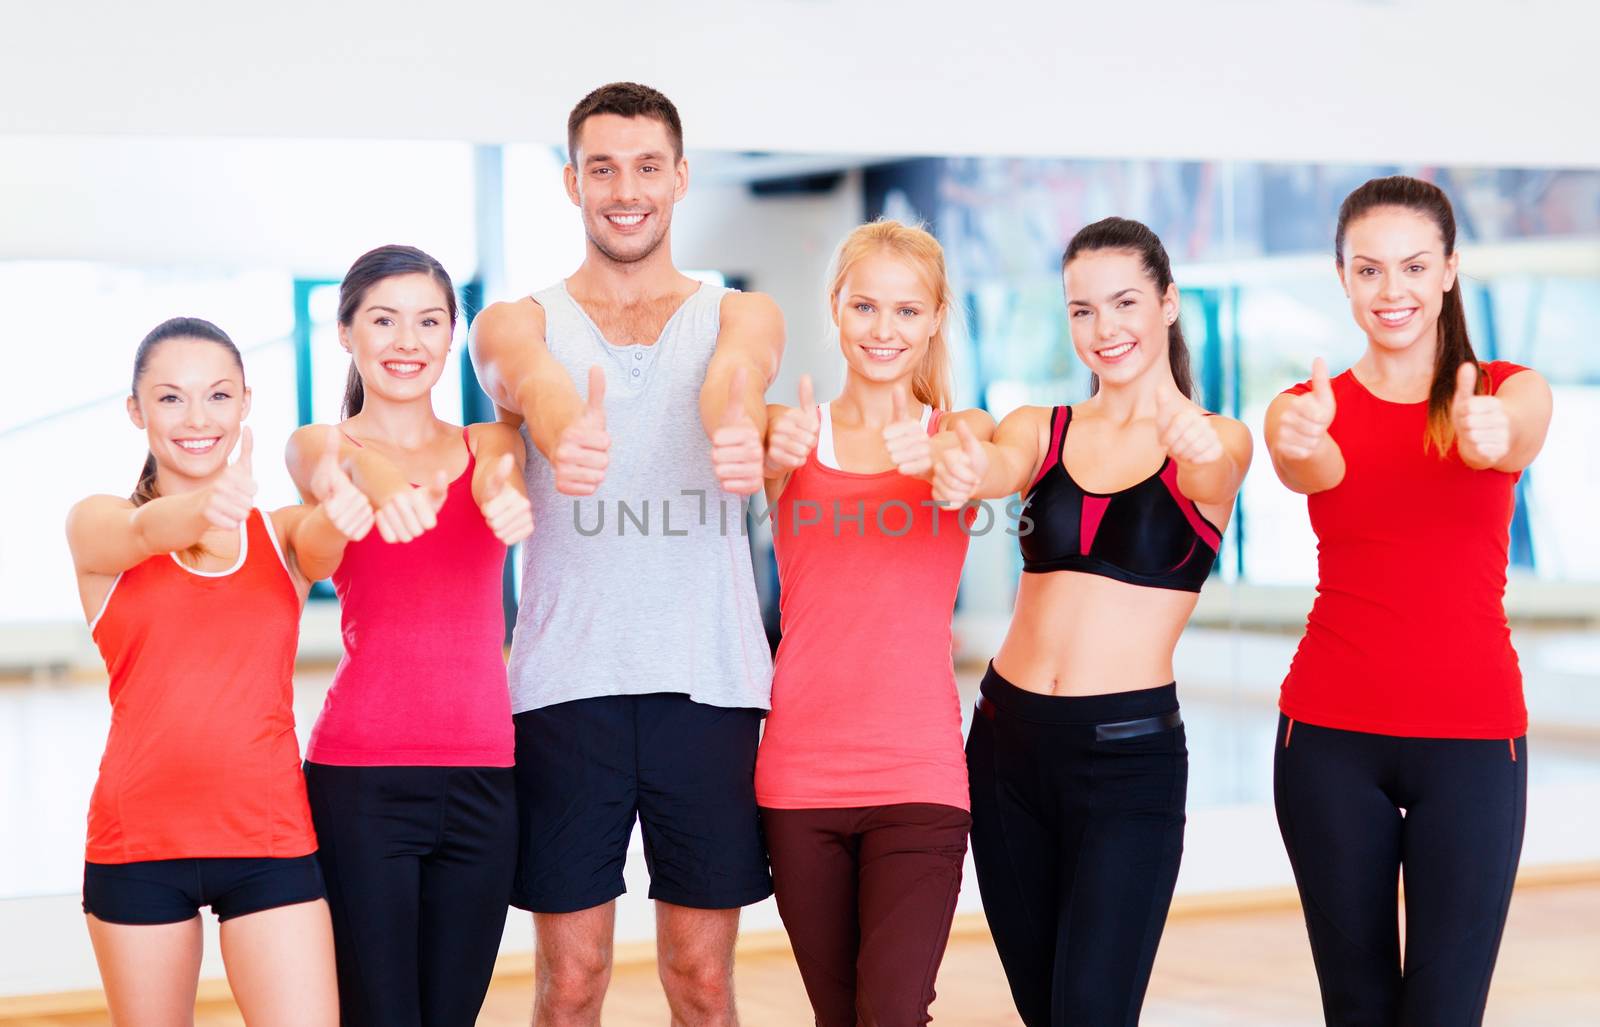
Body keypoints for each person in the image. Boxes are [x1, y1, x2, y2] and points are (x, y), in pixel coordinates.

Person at [469, 82, 782, 1026]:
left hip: (711, 683)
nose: (626, 188)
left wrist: (735, 421)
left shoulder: (740, 313)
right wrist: (566, 433)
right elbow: (530, 379)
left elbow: (741, 373)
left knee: (703, 978)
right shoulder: (518, 318)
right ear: (572, 182)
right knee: (572, 981)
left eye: (647, 165)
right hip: (567, 687)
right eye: (602, 168)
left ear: (680, 178)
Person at [932, 217, 1252, 1026]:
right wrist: (968, 462)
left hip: (1126, 761)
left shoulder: (1212, 441)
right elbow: (996, 465)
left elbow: (1221, 465)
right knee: (1045, 1009)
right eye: (1082, 310)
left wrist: (1192, 440)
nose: (1104, 329)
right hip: (1005, 746)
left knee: (1092, 1010)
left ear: (1169, 302)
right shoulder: (1042, 426)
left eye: (1124, 303)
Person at [1266, 175, 1553, 1026]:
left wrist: (1491, 434)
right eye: (1369, 269)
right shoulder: (1307, 409)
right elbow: (1309, 466)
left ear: (1450, 270)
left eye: (1414, 266)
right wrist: (1300, 442)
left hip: (1473, 742)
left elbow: (1521, 432)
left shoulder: (1509, 389)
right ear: (1344, 277)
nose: (1392, 290)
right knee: (1355, 1006)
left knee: (1444, 1009)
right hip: (1326, 740)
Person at [67, 316, 368, 1026]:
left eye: (218, 396)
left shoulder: (280, 531)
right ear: (136, 411)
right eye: (171, 399)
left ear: (246, 402)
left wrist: (345, 507)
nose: (197, 418)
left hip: (269, 842)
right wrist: (208, 505)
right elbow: (146, 531)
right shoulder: (98, 523)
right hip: (139, 842)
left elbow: (322, 545)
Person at [287, 244, 533, 1026]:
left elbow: (502, 474)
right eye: (384, 319)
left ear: (452, 334)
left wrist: (500, 495)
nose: (407, 340)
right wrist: (381, 481)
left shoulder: (489, 445)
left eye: (429, 321)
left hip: (486, 775)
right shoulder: (320, 444)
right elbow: (336, 469)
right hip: (361, 778)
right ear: (346, 331)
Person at [755, 219, 993, 1026]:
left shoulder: (960, 433)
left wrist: (958, 470)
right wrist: (765, 451)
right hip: (797, 779)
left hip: (918, 778)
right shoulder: (788, 436)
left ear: (933, 319)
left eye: (905, 310)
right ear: (836, 309)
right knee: (838, 1016)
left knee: (890, 1010)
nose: (884, 330)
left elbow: (983, 467)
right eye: (865, 307)